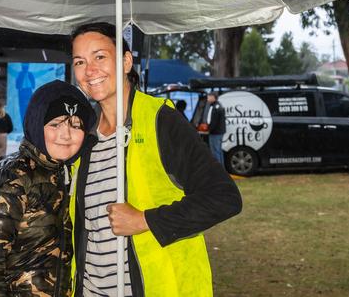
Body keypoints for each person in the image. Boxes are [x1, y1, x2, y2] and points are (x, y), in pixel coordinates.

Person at [69, 22, 242, 296]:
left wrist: (144, 220)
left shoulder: (161, 120)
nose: (89, 70)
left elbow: (223, 198)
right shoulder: (82, 137)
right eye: (79, 61)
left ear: (126, 61)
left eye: (99, 57)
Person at [0, 80, 96, 297]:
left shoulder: (66, 173)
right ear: (36, 124)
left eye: (76, 124)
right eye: (56, 124)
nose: (66, 134)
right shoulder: (11, 178)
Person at [206, 92, 227, 167]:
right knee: (219, 151)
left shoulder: (216, 107)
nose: (207, 98)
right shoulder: (216, 105)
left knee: (215, 152)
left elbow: (214, 122)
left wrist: (208, 130)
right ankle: (222, 168)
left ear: (213, 97)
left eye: (209, 97)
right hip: (219, 132)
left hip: (215, 132)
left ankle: (218, 169)